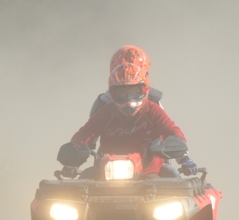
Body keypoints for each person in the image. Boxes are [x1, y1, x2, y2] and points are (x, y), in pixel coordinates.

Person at [60, 46, 196, 178]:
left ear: (144, 89)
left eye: (134, 91)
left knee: (174, 178)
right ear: (113, 91)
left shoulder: (153, 109)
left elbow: (173, 133)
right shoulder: (105, 111)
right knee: (81, 183)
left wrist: (184, 159)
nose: (128, 98)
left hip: (149, 172)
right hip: (105, 174)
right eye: (122, 92)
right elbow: (84, 135)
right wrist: (73, 160)